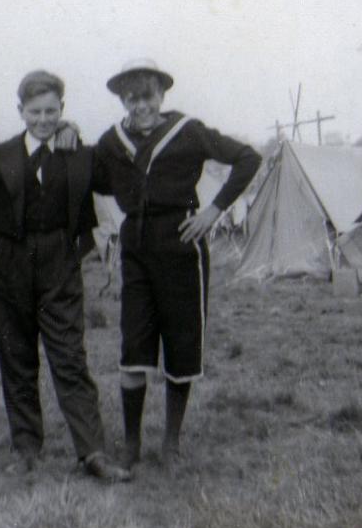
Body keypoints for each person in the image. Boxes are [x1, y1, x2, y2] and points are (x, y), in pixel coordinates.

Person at [92, 58, 261, 471]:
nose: (140, 106)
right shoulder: (111, 142)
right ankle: (131, 444)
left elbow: (247, 158)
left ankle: (171, 442)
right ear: (121, 100)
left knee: (181, 347)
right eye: (131, 98)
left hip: (182, 243)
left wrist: (212, 212)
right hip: (137, 245)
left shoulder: (188, 131)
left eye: (147, 96)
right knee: (134, 347)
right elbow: (95, 179)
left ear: (162, 95)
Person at [0, 70, 131, 483]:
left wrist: (76, 132)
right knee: (17, 358)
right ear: (20, 111)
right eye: (35, 111)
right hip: (9, 262)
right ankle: (26, 449)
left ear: (63, 110)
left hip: (61, 261)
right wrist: (7, 246)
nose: (43, 119)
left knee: (70, 358)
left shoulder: (79, 153)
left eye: (52, 111)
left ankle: (92, 452)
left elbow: (117, 175)